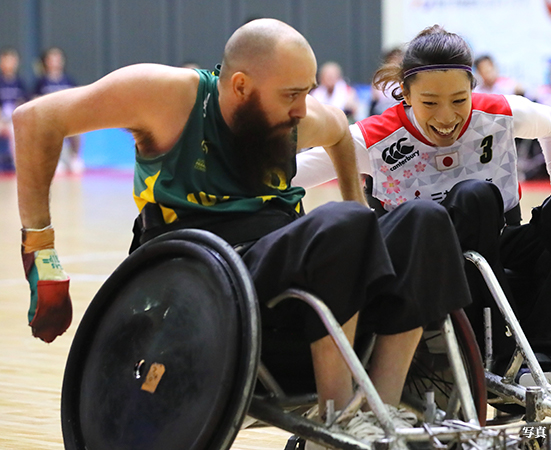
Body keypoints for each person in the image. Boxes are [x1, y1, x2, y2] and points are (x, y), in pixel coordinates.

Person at [14, 19, 472, 448]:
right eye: (292, 94)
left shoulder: (294, 115)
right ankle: (337, 423)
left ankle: (380, 412)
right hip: (202, 276)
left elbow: (338, 132)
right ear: (240, 86)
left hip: (283, 267)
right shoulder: (170, 96)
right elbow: (36, 119)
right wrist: (42, 254)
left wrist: (357, 201)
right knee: (341, 223)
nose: (302, 109)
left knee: (423, 220)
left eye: (307, 92)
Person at [294, 25, 551, 369]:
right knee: (474, 195)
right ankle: (496, 351)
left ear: (472, 89)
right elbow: (291, 173)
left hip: (500, 240)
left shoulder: (499, 114)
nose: (447, 117)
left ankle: (550, 350)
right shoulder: (375, 139)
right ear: (404, 92)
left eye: (459, 100)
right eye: (430, 102)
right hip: (430, 264)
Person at [33, 46, 83, 174]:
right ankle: (55, 160)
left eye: (58, 58)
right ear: (46, 61)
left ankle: (74, 158)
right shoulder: (41, 82)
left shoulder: (68, 80)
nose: (55, 62)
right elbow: (34, 100)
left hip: (67, 115)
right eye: (52, 59)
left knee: (79, 127)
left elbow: (77, 97)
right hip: (48, 116)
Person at [0, 48, 27, 172]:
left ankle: (20, 164)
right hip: (2, 120)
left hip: (14, 119)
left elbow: (24, 102)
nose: (9, 63)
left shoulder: (20, 82)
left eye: (12, 60)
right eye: (6, 60)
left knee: (13, 129)